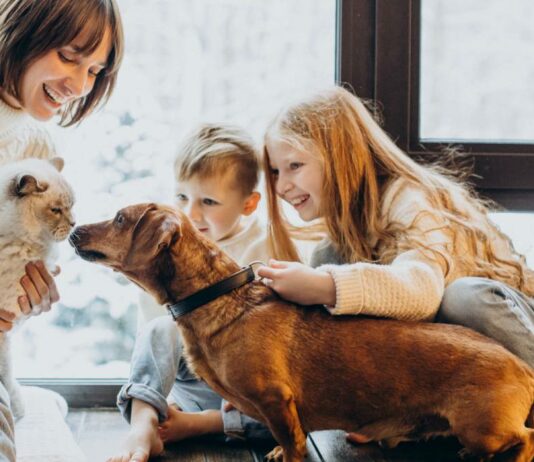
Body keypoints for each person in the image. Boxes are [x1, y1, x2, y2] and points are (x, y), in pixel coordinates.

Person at [257, 85, 534, 442]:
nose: (281, 186)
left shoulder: (408, 197)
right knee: (331, 271)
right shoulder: (336, 247)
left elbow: (423, 292)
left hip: (515, 331)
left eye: (294, 165)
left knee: (463, 297)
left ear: (342, 156)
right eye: (275, 172)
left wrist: (324, 286)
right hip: (468, 379)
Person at [0, 0, 124, 458]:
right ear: (22, 29)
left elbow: (23, 265)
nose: (78, 85)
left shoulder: (37, 145)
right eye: (69, 57)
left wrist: (28, 298)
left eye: (94, 71)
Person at [111, 124, 274, 462]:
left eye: (209, 201)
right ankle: (143, 423)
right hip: (193, 381)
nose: (191, 213)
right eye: (182, 197)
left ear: (248, 204)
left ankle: (203, 424)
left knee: (297, 415)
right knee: (159, 329)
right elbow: (159, 339)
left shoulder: (267, 246)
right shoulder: (167, 246)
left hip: (247, 390)